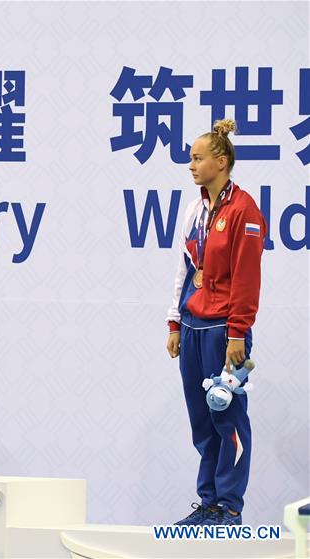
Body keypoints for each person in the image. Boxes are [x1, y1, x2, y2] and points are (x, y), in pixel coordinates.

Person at [166, 119, 266, 526]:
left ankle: (229, 506)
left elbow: (247, 276)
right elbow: (183, 268)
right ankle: (207, 502)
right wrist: (174, 321)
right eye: (191, 158)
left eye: (197, 158)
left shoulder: (245, 210)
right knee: (202, 420)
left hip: (226, 331)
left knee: (227, 417)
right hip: (193, 328)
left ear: (221, 162)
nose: (190, 165)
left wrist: (238, 331)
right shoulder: (195, 210)